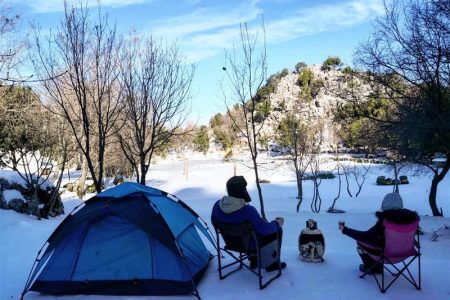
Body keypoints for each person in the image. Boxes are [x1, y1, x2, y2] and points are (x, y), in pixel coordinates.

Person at [211, 176, 286, 271]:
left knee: (250, 232)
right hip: (249, 244)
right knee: (277, 230)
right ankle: (272, 264)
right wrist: (277, 223)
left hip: (230, 243)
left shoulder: (217, 206)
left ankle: (254, 258)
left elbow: (214, 222)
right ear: (242, 191)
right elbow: (264, 230)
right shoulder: (248, 211)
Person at [338, 193, 419, 274]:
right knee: (377, 241)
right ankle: (376, 267)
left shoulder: (385, 221)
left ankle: (371, 268)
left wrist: (345, 230)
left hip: (387, 256)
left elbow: (366, 237)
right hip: (406, 253)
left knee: (361, 242)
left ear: (384, 205)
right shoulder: (412, 219)